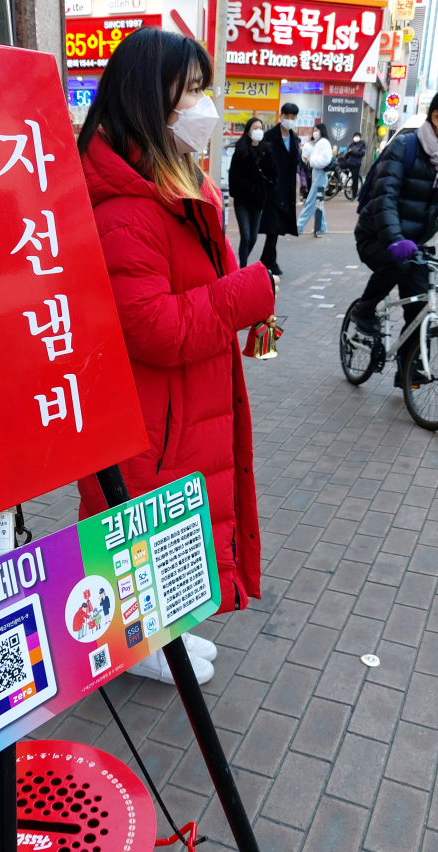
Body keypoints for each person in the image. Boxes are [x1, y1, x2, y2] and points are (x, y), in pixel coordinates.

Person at [77, 28, 277, 685]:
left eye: (203, 88)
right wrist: (246, 294)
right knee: (144, 530)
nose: (204, 104)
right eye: (190, 90)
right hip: (151, 420)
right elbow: (154, 326)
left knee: (175, 531)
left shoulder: (173, 182)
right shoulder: (127, 211)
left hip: (183, 408)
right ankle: (140, 649)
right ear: (147, 98)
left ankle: (168, 635)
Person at [351, 84, 438, 386]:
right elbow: (384, 197)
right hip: (376, 235)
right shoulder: (405, 147)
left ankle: (410, 370)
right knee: (397, 263)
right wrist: (394, 239)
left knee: (418, 304)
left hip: (412, 242)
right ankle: (364, 311)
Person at [228, 117, 276, 268]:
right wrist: (251, 189)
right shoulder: (240, 152)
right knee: (246, 235)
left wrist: (265, 191)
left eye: (260, 128)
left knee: (254, 237)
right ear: (248, 131)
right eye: (255, 128)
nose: (258, 131)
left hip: (258, 201)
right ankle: (242, 267)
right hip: (242, 200)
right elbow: (234, 178)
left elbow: (273, 174)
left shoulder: (266, 151)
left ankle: (240, 264)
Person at [259, 102, 300, 274]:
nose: (289, 120)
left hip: (287, 189)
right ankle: (269, 262)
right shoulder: (269, 136)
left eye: (293, 117)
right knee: (272, 226)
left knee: (276, 227)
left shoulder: (294, 138)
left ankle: (266, 260)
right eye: (287, 116)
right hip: (272, 189)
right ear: (281, 116)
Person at [297, 122, 333, 237]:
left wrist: (311, 160)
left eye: (316, 130)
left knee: (311, 202)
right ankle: (322, 226)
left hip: (320, 174)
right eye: (314, 130)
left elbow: (325, 159)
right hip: (318, 174)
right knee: (317, 203)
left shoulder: (323, 143)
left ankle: (299, 225)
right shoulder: (320, 143)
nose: (314, 132)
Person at [340, 130, 366, 199]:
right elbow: (347, 153)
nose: (356, 138)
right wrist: (346, 155)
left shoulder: (362, 145)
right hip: (349, 162)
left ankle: (354, 194)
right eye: (355, 136)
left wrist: (352, 153)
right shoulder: (351, 145)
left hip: (356, 164)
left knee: (355, 179)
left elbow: (362, 153)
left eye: (357, 136)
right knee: (339, 165)